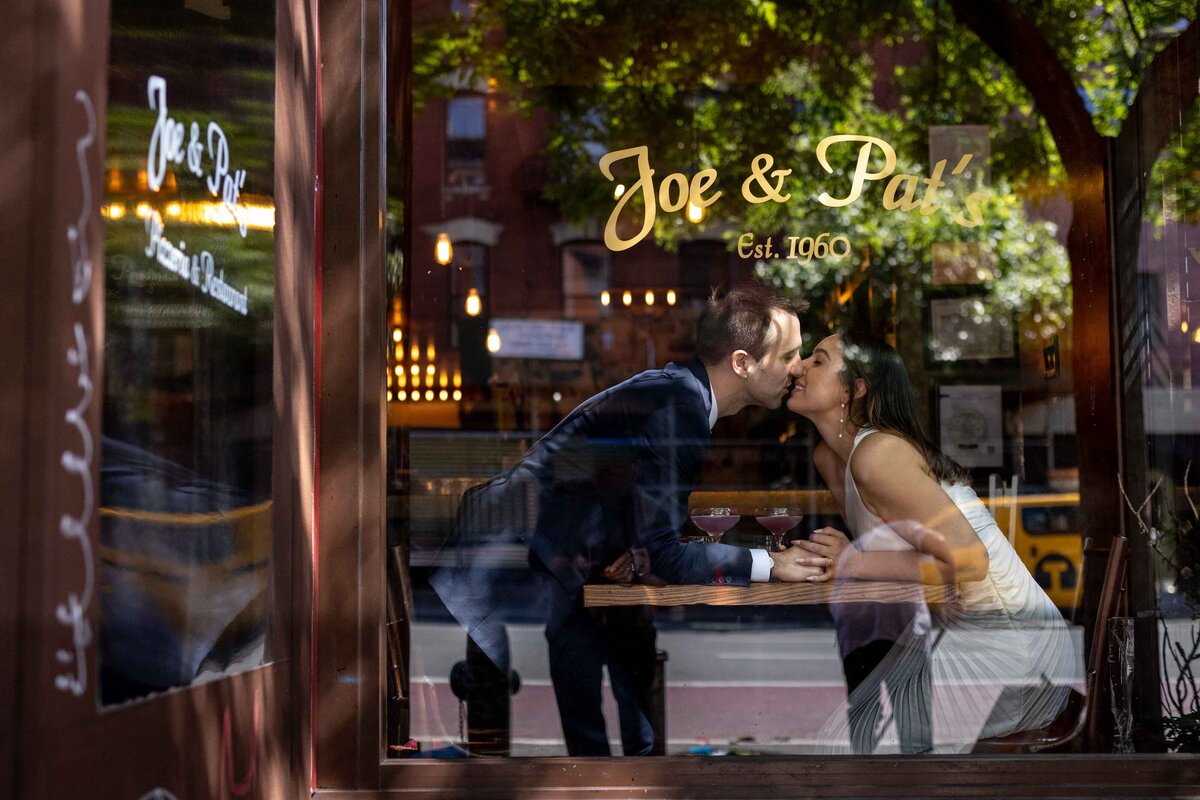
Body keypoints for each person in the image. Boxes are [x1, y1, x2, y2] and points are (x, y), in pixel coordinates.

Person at [432, 284, 826, 757]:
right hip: (503, 567)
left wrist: (637, 548)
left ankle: (620, 771)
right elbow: (664, 553)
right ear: (743, 363)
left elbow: (628, 503)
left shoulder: (677, 394)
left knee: (609, 689)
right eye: (790, 355)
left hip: (552, 561)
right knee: (497, 745)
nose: (798, 368)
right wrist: (770, 563)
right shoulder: (678, 407)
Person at [786, 331, 1077, 752]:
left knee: (854, 747)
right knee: (855, 737)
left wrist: (850, 562)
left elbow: (971, 562)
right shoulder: (831, 457)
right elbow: (887, 554)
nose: (798, 367)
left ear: (855, 388)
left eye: (818, 360)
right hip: (949, 629)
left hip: (1008, 643)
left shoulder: (877, 455)